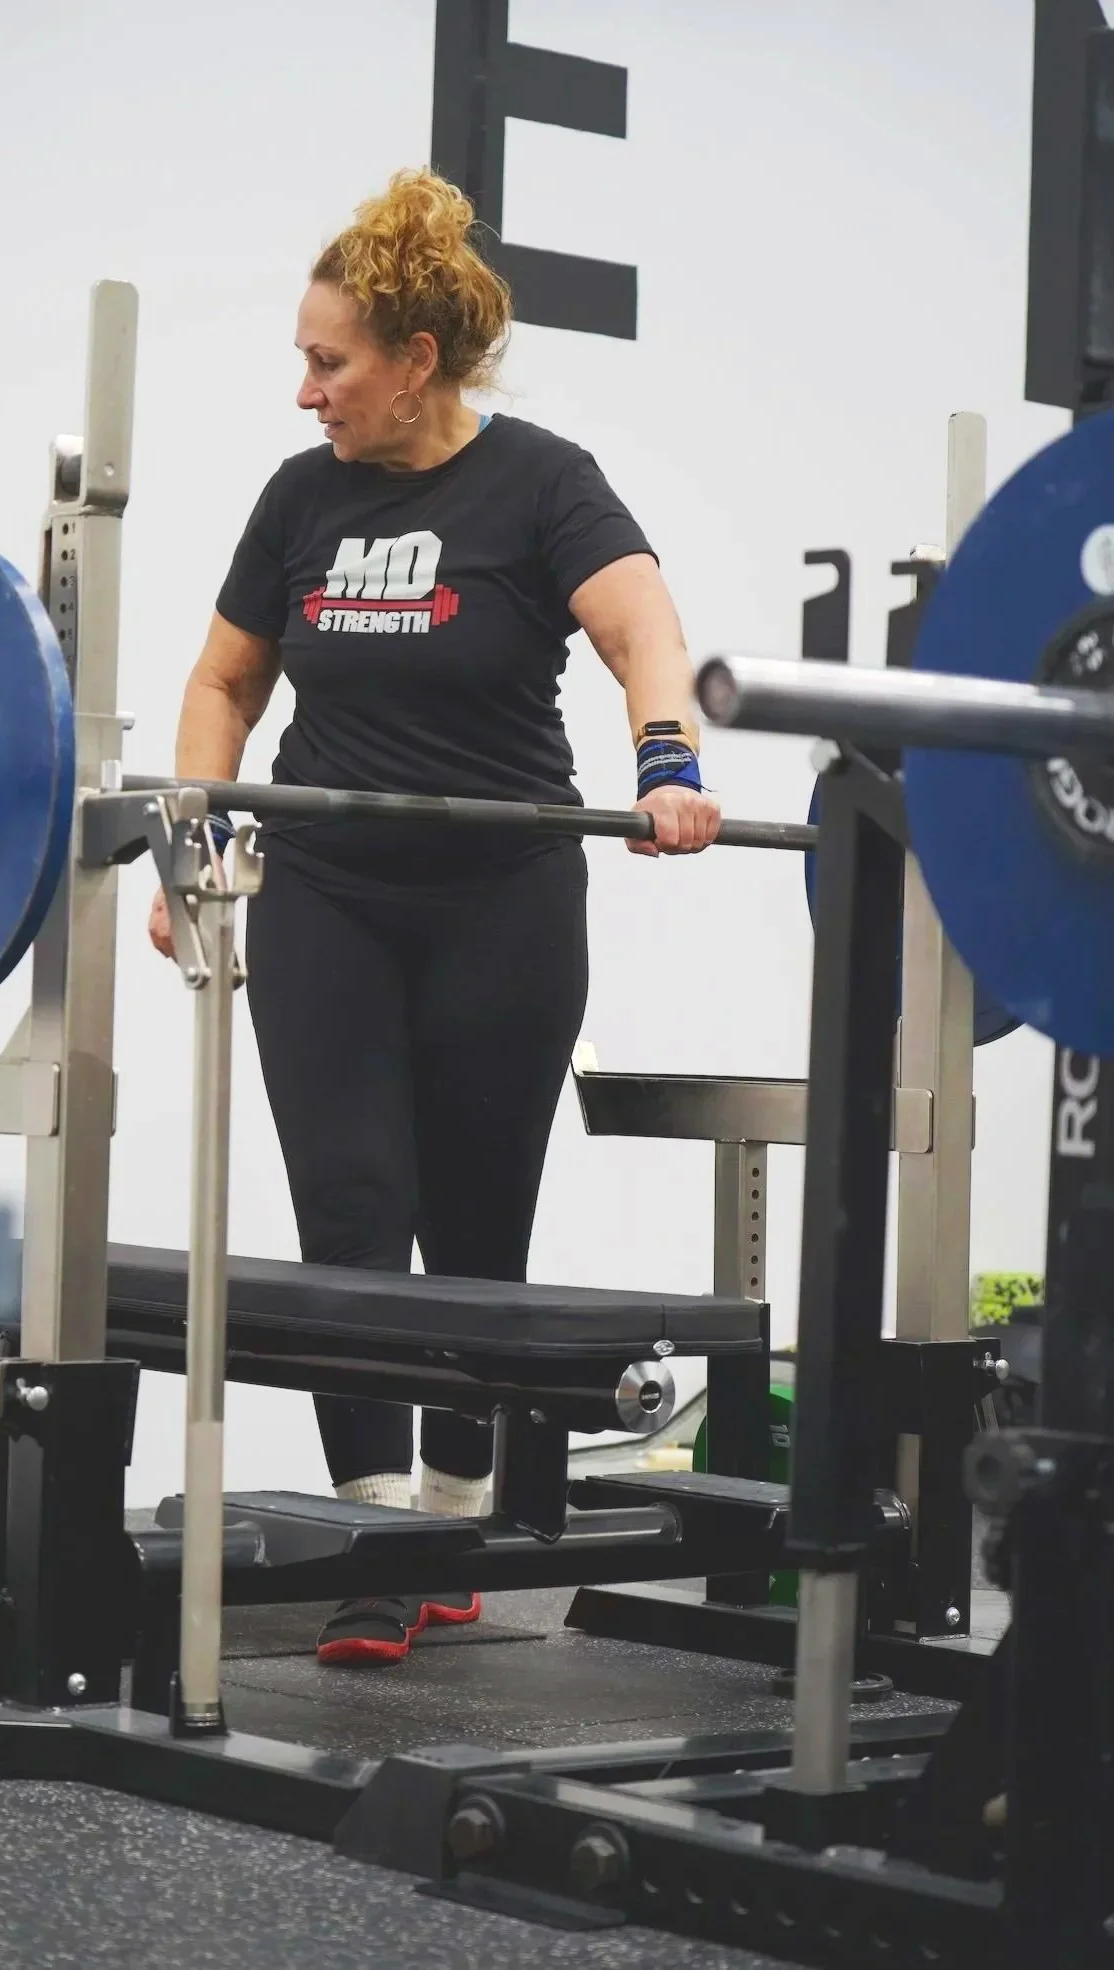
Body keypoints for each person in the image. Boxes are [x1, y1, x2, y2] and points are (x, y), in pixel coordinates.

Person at [150, 167, 721, 1664]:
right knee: (350, 1217)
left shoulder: (540, 481)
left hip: (500, 899)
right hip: (324, 887)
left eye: (328, 363)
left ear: (415, 362)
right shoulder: (301, 499)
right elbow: (222, 683)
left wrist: (667, 760)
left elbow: (640, 628)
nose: (305, 392)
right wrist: (197, 833)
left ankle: (454, 1518)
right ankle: (376, 1541)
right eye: (303, 359)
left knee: (474, 1230)